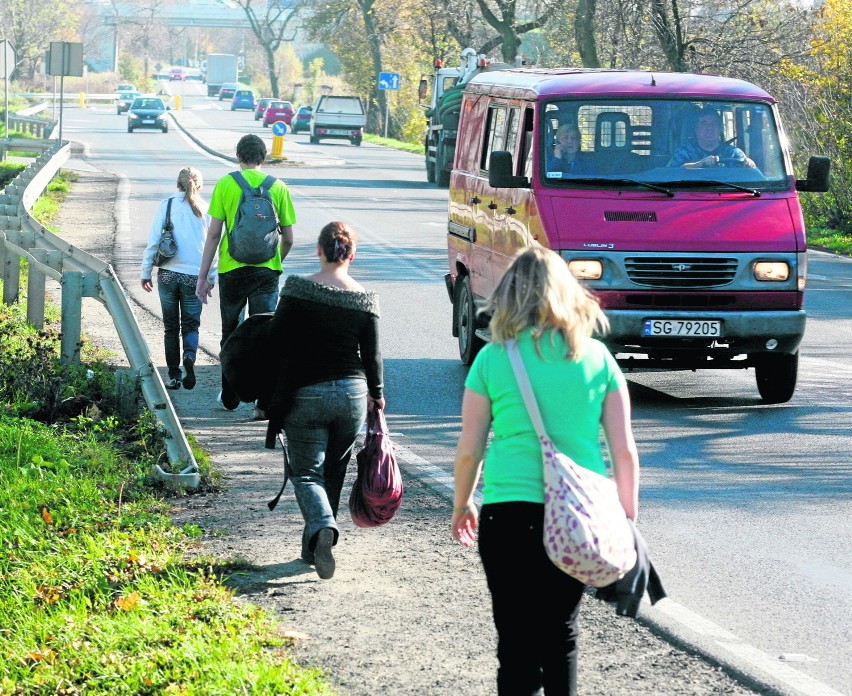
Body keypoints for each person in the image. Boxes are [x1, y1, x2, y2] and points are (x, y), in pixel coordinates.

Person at [451, 245, 639, 696]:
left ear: (509, 296)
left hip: (506, 513)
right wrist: (627, 520)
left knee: (514, 642)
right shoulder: (597, 359)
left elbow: (469, 450)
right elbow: (624, 451)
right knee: (561, 635)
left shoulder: (492, 359)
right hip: (577, 516)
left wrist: (463, 504)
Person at [267, 221, 384, 580]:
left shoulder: (298, 290)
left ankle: (323, 529)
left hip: (306, 395)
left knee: (306, 473)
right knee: (334, 471)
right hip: (351, 395)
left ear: (319, 250)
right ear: (352, 255)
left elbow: (274, 340)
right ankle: (314, 548)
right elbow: (373, 356)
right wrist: (376, 395)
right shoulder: (364, 299)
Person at [195, 134, 297, 412]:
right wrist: (276, 260)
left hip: (232, 270)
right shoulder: (278, 187)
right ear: (263, 158)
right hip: (266, 272)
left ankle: (230, 394)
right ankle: (263, 403)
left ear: (238, 157)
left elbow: (214, 234)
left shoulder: (226, 184)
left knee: (230, 331)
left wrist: (203, 277)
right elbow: (288, 237)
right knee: (265, 334)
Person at [141, 166, 214, 390]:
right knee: (191, 325)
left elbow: (154, 241)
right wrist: (211, 277)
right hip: (195, 276)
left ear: (177, 184)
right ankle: (190, 356)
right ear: (199, 186)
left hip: (168, 275)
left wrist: (146, 272)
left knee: (171, 327)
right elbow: (215, 246)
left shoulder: (167, 205)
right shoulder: (207, 209)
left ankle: (173, 375)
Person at [668, 106, 756, 169]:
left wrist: (750, 165)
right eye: (704, 123)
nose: (709, 127)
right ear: (696, 129)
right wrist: (699, 164)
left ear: (720, 128)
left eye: (714, 123)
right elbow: (671, 174)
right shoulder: (684, 152)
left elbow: (750, 177)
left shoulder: (733, 153)